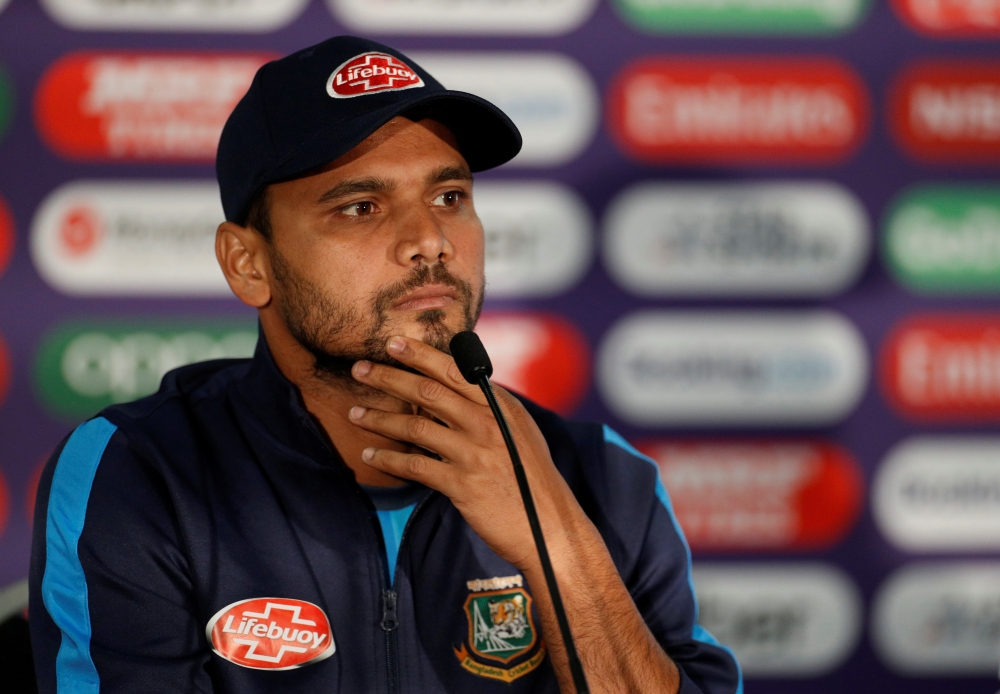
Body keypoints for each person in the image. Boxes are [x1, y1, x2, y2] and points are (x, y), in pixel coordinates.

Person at [29, 36, 742, 694]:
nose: (429, 240)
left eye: (449, 197)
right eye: (361, 207)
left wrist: (555, 540)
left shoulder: (601, 478)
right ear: (248, 264)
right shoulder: (143, 474)